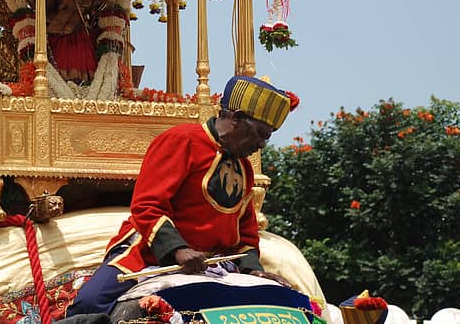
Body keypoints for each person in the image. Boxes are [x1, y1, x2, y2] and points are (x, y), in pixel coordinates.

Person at [67, 75, 297, 316]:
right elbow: (147, 206)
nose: (261, 144)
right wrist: (178, 250)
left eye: (267, 137)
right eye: (260, 134)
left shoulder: (245, 169)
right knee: (88, 304)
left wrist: (252, 269)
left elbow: (246, 232)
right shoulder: (181, 141)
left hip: (213, 264)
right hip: (149, 254)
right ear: (236, 118)